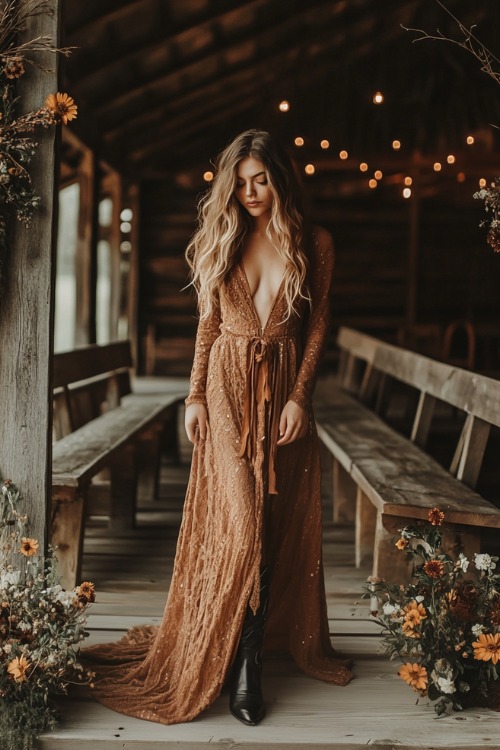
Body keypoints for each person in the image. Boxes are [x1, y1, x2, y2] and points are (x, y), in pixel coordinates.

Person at [84, 129, 353, 727]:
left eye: (262, 179)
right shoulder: (221, 237)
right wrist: (194, 395)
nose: (251, 192)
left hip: (282, 387)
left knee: (272, 517)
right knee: (241, 516)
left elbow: (317, 326)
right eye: (241, 180)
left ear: (281, 178)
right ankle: (242, 655)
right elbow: (208, 325)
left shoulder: (315, 242)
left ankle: (247, 651)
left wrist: (301, 397)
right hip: (228, 387)